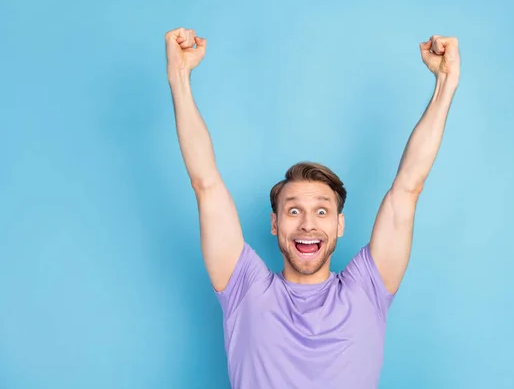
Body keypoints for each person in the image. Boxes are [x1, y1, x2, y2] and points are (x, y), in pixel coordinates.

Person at [164, 26, 460, 389]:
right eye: (293, 211)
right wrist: (179, 76)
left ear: (339, 225)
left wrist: (445, 84)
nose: (307, 224)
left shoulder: (367, 288)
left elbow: (407, 188)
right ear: (274, 224)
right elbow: (205, 183)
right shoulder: (244, 288)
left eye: (322, 211)